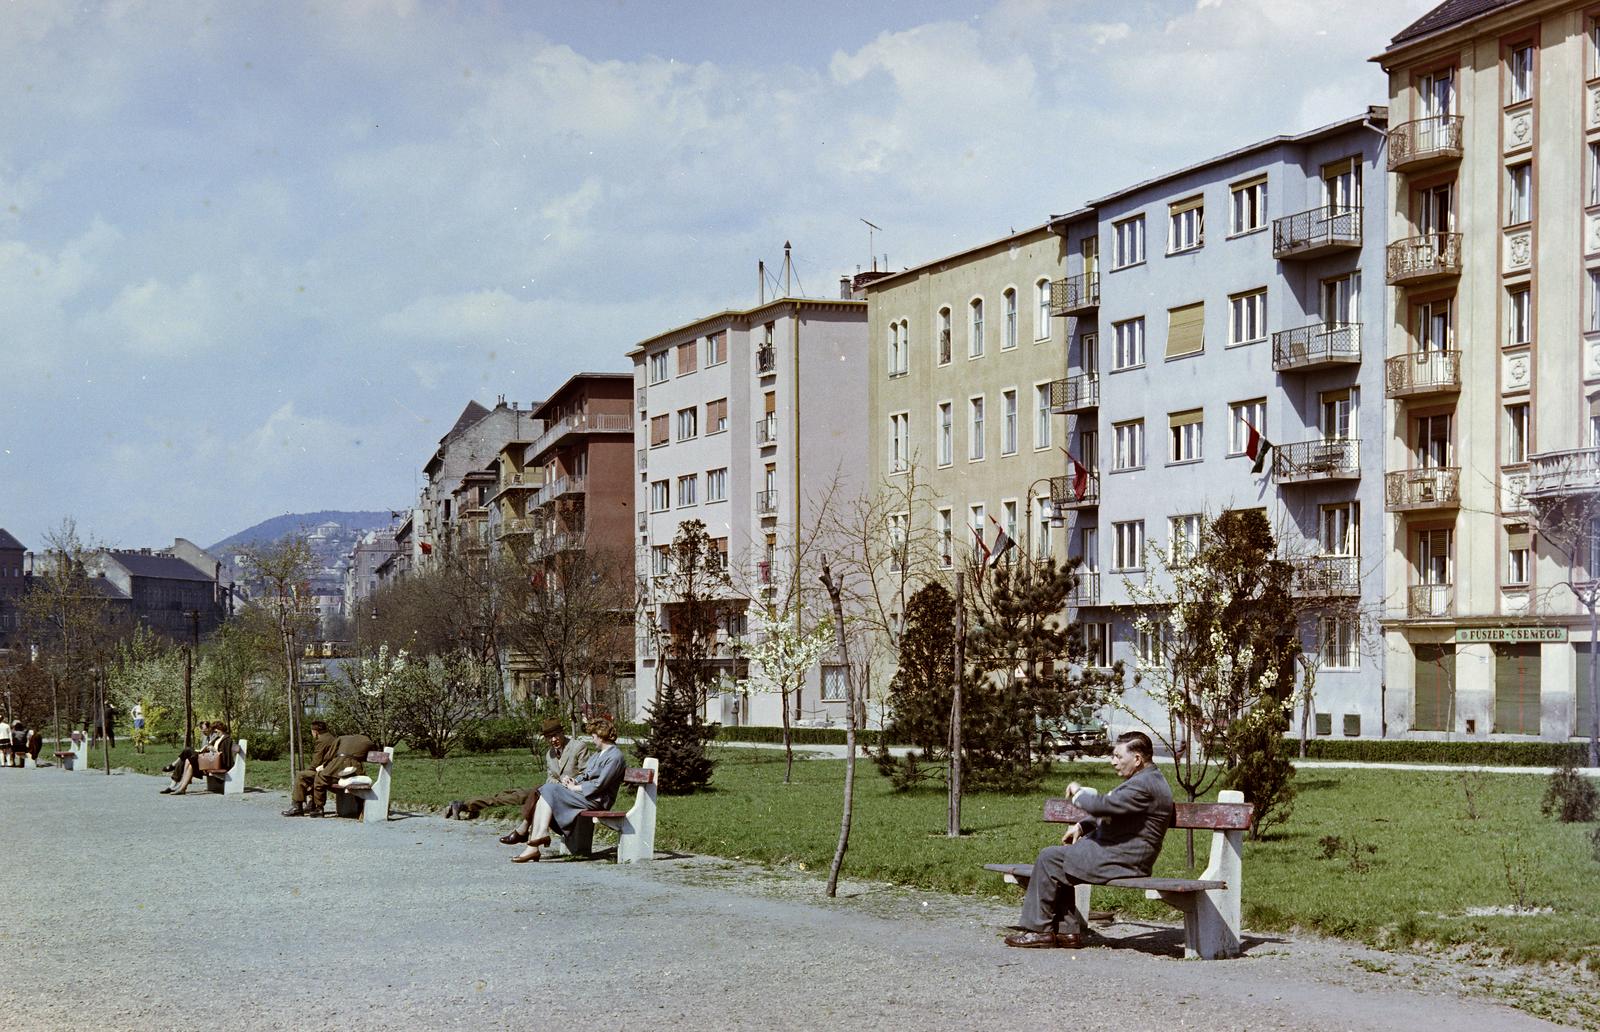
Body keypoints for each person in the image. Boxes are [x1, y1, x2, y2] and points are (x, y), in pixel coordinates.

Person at [1004, 730, 1173, 949]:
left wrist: (1078, 792)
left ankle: (1038, 931)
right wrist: (1083, 826)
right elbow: (1117, 809)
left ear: (1138, 759)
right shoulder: (1146, 779)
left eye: (1118, 757)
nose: (1113, 762)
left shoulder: (1144, 785)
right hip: (1121, 853)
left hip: (1125, 859)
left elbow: (1102, 805)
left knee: (1050, 858)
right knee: (1061, 860)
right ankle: (1067, 933)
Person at [510, 717, 627, 863]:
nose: (592, 740)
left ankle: (537, 838)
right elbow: (585, 775)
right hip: (587, 796)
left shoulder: (615, 756)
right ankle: (534, 844)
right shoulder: (598, 754)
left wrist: (575, 787)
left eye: (593, 736)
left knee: (548, 790)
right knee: (546, 791)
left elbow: (600, 784)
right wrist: (573, 781)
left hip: (598, 799)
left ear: (601, 736)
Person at [444, 717, 590, 826]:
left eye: (555, 735)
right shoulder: (550, 754)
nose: (553, 740)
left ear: (562, 732)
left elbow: (588, 774)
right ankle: (463, 804)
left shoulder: (578, 747)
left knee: (516, 798)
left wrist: (571, 782)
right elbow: (550, 777)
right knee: (512, 794)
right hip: (550, 790)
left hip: (569, 794)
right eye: (548, 737)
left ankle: (464, 805)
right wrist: (556, 783)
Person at [305, 731, 378, 818]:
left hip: (334, 769)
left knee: (319, 778)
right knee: (356, 782)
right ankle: (360, 807)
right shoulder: (368, 741)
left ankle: (319, 808)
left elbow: (330, 755)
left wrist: (325, 765)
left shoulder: (342, 738)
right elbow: (371, 752)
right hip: (354, 771)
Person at [282, 720, 338, 817]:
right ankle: (312, 804)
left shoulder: (322, 740)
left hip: (327, 772)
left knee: (301, 775)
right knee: (311, 777)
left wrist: (308, 770)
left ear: (315, 731)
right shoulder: (331, 738)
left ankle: (297, 807)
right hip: (332, 770)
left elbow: (316, 761)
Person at [161, 721, 223, 794]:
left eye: (204, 729)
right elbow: (203, 748)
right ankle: (172, 786)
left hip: (207, 759)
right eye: (202, 730)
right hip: (202, 757)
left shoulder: (215, 735)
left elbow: (210, 749)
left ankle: (173, 766)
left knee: (187, 750)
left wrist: (206, 747)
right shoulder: (205, 736)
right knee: (183, 761)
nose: (203, 732)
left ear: (209, 728)